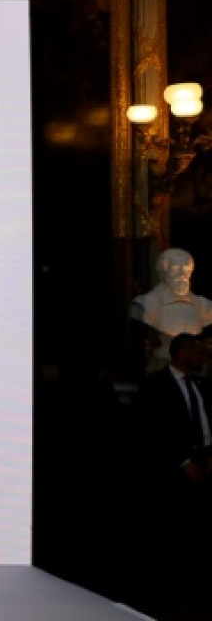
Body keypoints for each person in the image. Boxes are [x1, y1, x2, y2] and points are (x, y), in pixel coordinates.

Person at [133, 333, 212, 610]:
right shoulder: (156, 386)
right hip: (170, 471)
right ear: (182, 354)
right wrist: (183, 462)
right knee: (172, 532)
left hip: (204, 462)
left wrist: (209, 454)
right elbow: (152, 431)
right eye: (199, 353)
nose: (204, 358)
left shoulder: (201, 385)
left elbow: (205, 423)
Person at [131, 248, 212, 372]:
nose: (182, 274)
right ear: (163, 271)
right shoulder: (146, 303)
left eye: (186, 269)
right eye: (176, 268)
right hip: (161, 365)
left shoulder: (204, 305)